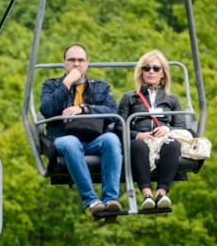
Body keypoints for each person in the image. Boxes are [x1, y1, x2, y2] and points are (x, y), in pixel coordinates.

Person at [39, 43, 123, 217]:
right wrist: (67, 82)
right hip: (63, 137)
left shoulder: (100, 87)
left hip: (93, 139)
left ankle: (110, 200)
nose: (76, 64)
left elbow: (113, 112)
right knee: (71, 143)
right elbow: (46, 109)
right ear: (64, 63)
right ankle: (92, 201)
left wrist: (83, 108)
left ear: (87, 63)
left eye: (80, 60)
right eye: (71, 60)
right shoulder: (51, 85)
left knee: (111, 140)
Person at [117, 50, 188, 210]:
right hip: (140, 141)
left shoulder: (172, 99)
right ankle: (147, 194)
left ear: (163, 73)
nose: (151, 72)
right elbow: (119, 125)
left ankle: (161, 193)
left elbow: (181, 127)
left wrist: (166, 129)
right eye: (146, 68)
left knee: (173, 145)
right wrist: (138, 135)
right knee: (137, 145)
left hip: (162, 141)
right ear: (140, 72)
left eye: (156, 68)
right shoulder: (129, 97)